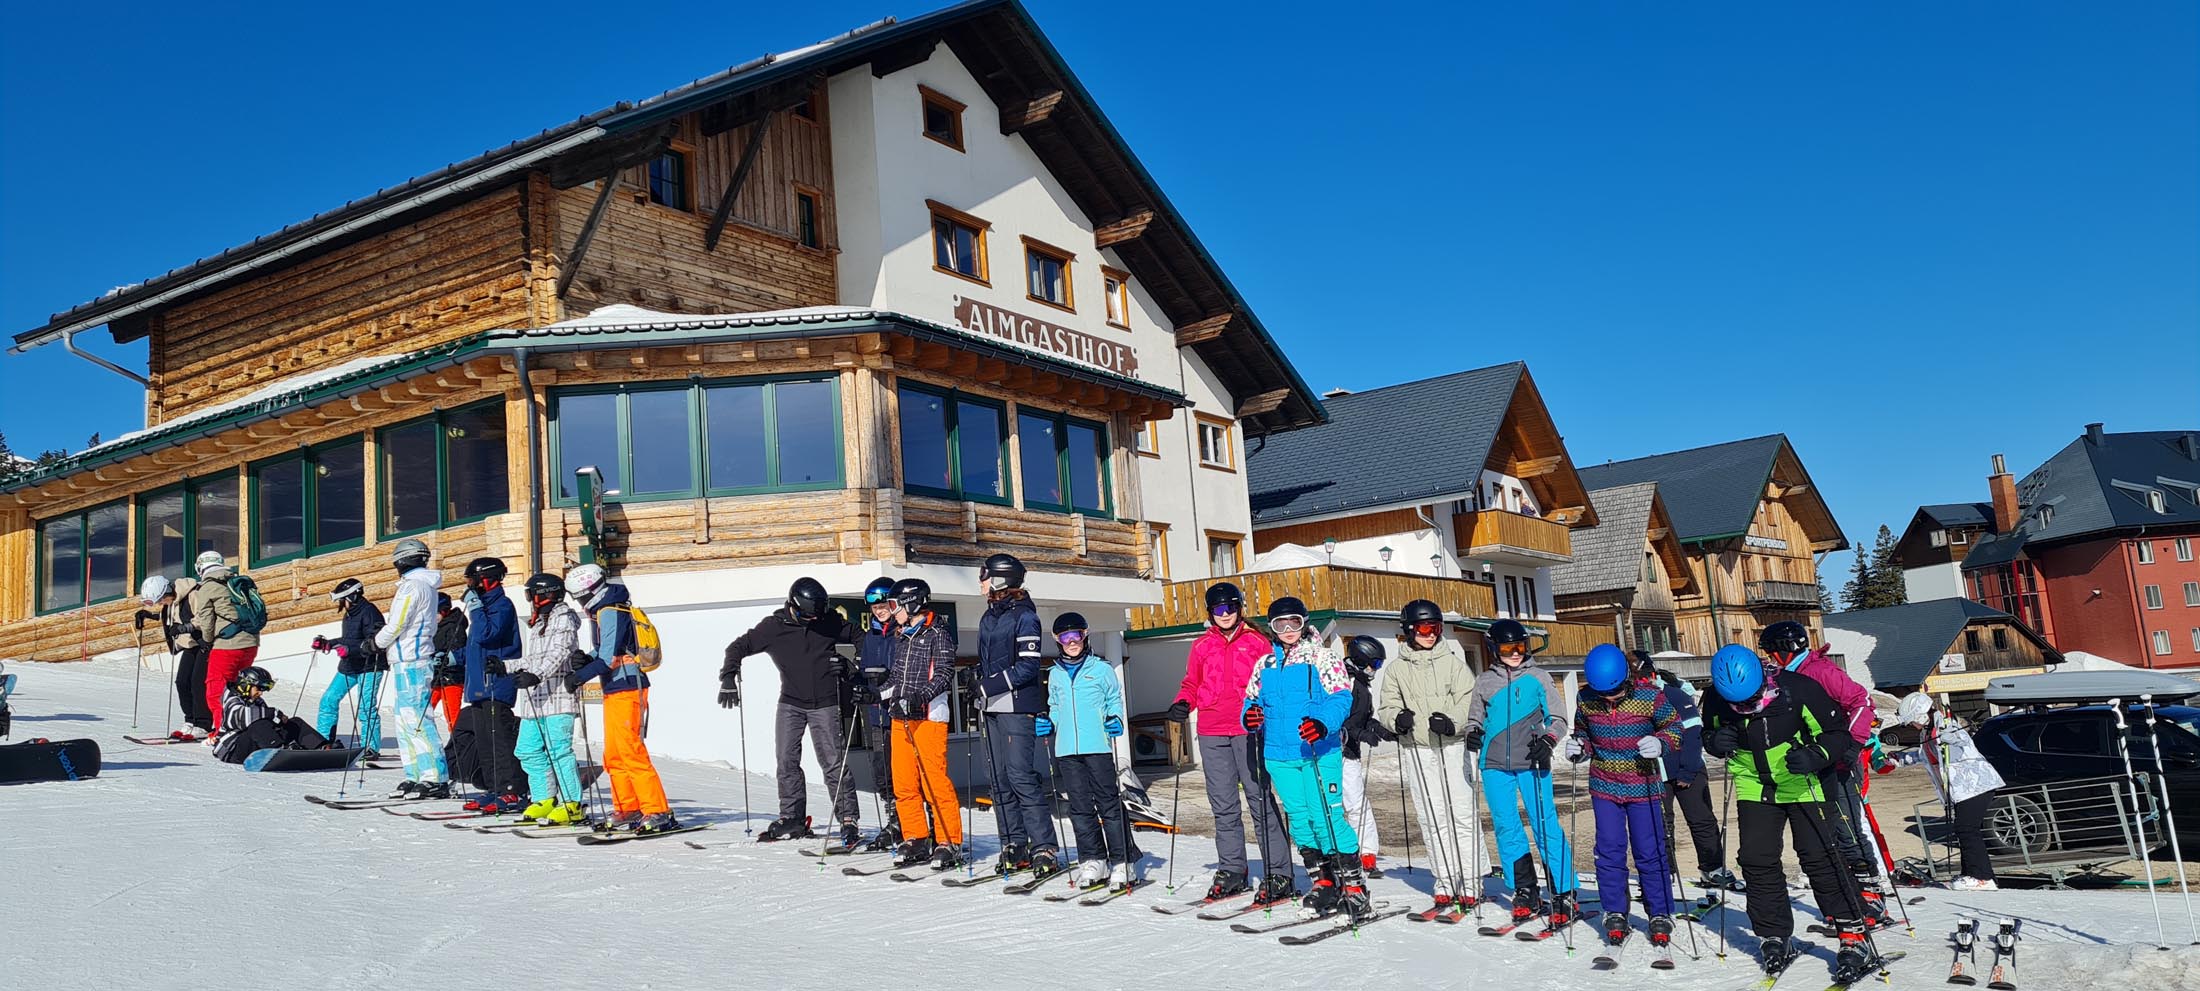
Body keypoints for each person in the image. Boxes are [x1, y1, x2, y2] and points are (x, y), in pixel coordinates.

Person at [1701, 643, 1868, 977]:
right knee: (1756, 859)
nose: (1747, 709)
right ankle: (1773, 934)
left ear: (1763, 679)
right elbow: (1708, 732)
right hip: (1755, 784)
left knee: (1819, 856)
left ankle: (1852, 933)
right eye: (1739, 705)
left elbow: (1837, 735)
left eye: (1752, 700)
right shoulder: (1716, 699)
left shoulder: (1799, 689)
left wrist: (1817, 754)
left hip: (1805, 782)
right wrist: (1714, 742)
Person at [1166, 581, 1295, 907]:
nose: (1225, 614)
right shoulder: (1201, 646)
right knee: (1223, 805)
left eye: (1231, 607)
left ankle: (1279, 872)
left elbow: (1272, 685)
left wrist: (1266, 715)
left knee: (1259, 799)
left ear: (1240, 608)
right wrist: (1183, 702)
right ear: (1210, 612)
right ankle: (1232, 869)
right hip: (1211, 730)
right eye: (1218, 609)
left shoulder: (1257, 642)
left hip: (1248, 730)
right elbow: (1192, 683)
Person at [1243, 596, 1368, 921]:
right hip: (1279, 755)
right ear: (1271, 628)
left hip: (1317, 751)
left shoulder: (1322, 657)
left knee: (1326, 817)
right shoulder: (1264, 664)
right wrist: (1250, 716)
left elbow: (1341, 697)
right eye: (1280, 624)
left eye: (1294, 622)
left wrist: (1323, 723)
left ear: (1304, 622)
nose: (1287, 629)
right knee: (1300, 821)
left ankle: (1354, 887)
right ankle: (1323, 882)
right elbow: (1251, 700)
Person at [1760, 620, 1887, 923]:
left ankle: (1872, 899)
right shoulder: (1786, 676)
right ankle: (1850, 900)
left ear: (1785, 649)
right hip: (1813, 764)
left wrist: (1851, 744)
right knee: (1826, 836)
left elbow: (1862, 701)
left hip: (1839, 762)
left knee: (1847, 830)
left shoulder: (1819, 671)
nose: (1770, 658)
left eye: (1771, 652)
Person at [720, 577, 861, 846]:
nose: (814, 620)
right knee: (786, 761)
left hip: (826, 702)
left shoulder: (828, 620)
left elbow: (858, 635)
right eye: (808, 616)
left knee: (833, 762)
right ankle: (792, 817)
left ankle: (848, 819)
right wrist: (728, 677)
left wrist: (855, 664)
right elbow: (738, 647)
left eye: (817, 615)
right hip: (791, 702)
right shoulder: (774, 627)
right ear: (794, 606)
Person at [1377, 599, 1492, 915]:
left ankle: (1471, 880)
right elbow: (1386, 706)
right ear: (1409, 630)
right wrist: (1396, 719)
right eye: (1424, 628)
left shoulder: (1453, 663)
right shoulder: (1397, 669)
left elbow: (1470, 701)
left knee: (1462, 814)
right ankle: (1445, 879)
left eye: (1436, 628)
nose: (1430, 634)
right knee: (1433, 816)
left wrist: (1453, 721)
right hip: (1419, 749)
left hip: (1452, 747)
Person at [1567, 643, 1684, 951]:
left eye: (1615, 692)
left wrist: (1661, 743)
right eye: (1603, 694)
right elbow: (1583, 732)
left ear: (1626, 678)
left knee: (1650, 850)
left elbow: (1675, 728)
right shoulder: (1585, 699)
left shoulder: (1650, 697)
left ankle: (1660, 912)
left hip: (1643, 786)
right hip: (1604, 785)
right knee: (1609, 850)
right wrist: (1579, 747)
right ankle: (1615, 910)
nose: (1609, 699)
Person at [1465, 617, 1579, 929]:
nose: (1515, 653)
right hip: (1494, 764)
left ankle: (1564, 891)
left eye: (1520, 646)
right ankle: (1525, 890)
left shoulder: (1539, 677)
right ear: (1494, 649)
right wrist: (1472, 733)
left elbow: (1559, 718)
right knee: (1506, 827)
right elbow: (1475, 719)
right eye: (1507, 648)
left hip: (1532, 760)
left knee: (1545, 825)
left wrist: (1549, 740)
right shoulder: (1484, 682)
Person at [564, 564, 674, 833]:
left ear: (592, 591)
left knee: (630, 750)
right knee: (613, 753)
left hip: (628, 686)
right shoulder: (604, 610)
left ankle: (658, 811)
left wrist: (579, 676)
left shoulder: (611, 609)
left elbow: (609, 658)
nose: (580, 603)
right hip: (614, 687)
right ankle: (628, 807)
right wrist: (585, 660)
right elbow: (606, 651)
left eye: (580, 597)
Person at [1039, 611, 1140, 892]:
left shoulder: (1101, 669)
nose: (1072, 642)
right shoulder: (1055, 674)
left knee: (1108, 804)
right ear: (1057, 640)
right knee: (1079, 807)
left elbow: (1114, 700)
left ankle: (1122, 861)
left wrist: (1115, 719)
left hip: (1097, 746)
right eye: (1065, 637)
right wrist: (1050, 723)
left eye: (1076, 635)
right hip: (1067, 750)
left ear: (1085, 636)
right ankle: (1093, 859)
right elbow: (1055, 706)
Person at [975, 553, 1055, 875]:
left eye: (984, 576)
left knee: (1020, 776)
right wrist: (976, 678)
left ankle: (1044, 847)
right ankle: (1013, 843)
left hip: (1017, 706)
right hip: (991, 707)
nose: (980, 582)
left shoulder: (1025, 617)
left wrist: (989, 684)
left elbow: (1028, 666)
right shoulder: (988, 617)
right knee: (998, 780)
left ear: (1000, 579)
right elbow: (988, 661)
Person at [1633, 650, 1736, 893]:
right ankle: (1664, 871)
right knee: (1660, 823)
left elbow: (1693, 733)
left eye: (1645, 678)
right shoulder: (1632, 700)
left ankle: (1712, 868)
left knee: (1701, 819)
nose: (1642, 683)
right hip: (1654, 773)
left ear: (1653, 675)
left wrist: (1688, 770)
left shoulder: (1674, 695)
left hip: (1687, 768)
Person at [881, 578, 963, 869]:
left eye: (895, 605)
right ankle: (916, 837)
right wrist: (874, 693)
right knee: (904, 782)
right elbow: (896, 679)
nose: (892, 611)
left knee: (934, 782)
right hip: (901, 717)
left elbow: (944, 674)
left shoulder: (938, 634)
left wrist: (919, 698)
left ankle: (949, 841)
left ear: (912, 603)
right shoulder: (902, 637)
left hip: (929, 717)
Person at [1896, 692, 2002, 891]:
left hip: (1975, 784)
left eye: (1912, 721)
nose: (1912, 725)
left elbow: (1962, 741)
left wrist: (1951, 738)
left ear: (1920, 715)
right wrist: (1898, 759)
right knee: (1963, 829)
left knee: (1966, 828)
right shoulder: (1927, 733)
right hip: (1961, 789)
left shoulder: (1946, 724)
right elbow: (1925, 755)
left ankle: (1982, 877)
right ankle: (1972, 874)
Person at [374, 538, 451, 800]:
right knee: (404, 720)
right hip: (405, 660)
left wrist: (375, 643)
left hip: (412, 660)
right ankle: (416, 773)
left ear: (403, 560)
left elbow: (398, 624)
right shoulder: (421, 586)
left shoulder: (413, 587)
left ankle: (435, 777)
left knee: (417, 719)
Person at [449, 557, 526, 813]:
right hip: (478, 687)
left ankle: (510, 790)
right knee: (484, 743)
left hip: (496, 685)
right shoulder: (483, 608)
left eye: (473, 580)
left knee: (498, 741)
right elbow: (476, 647)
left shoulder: (501, 605)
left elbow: (487, 634)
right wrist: (454, 657)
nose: (470, 586)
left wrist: (474, 607)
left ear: (487, 580)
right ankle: (495, 788)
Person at [513, 573, 589, 826]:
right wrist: (505, 666)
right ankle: (544, 798)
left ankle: (572, 804)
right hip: (536, 699)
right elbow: (533, 659)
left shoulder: (564, 618)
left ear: (544, 594)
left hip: (559, 697)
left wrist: (537, 675)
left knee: (559, 751)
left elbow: (559, 652)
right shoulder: (537, 624)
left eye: (530, 594)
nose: (529, 600)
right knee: (526, 749)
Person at [853, 577, 905, 851]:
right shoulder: (870, 637)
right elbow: (864, 672)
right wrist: (854, 678)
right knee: (881, 771)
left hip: (900, 712)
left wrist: (888, 679)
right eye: (874, 606)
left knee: (905, 771)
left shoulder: (903, 631)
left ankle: (914, 821)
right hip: (876, 713)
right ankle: (894, 819)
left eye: (883, 605)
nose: (879, 610)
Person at [309, 579, 386, 757]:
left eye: (342, 600)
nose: (341, 604)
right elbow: (349, 639)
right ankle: (324, 742)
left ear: (352, 597)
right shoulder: (350, 614)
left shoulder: (370, 612)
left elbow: (376, 641)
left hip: (370, 667)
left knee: (366, 707)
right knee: (328, 699)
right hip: (350, 666)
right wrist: (328, 644)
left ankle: (370, 747)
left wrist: (350, 650)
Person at [188, 551, 260, 739]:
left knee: (217, 690)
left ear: (200, 567)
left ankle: (223, 732)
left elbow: (206, 620)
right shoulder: (238, 581)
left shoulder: (208, 587)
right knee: (242, 688)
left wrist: (207, 640)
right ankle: (245, 726)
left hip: (227, 646)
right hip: (251, 643)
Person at [1338, 634, 1390, 880]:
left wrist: (1380, 730)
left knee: (1358, 803)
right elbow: (1339, 721)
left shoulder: (1362, 684)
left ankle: (1367, 852)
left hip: (1351, 753)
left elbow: (1362, 718)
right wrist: (1360, 734)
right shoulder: (1344, 681)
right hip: (1335, 753)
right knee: (1337, 805)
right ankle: (1339, 852)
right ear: (1361, 660)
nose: (1375, 670)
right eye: (1374, 664)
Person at [136, 575, 213, 739]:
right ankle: (190, 720)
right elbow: (172, 616)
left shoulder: (193, 594)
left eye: (161, 600)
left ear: (168, 591)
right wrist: (147, 615)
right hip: (190, 644)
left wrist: (185, 628)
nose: (161, 604)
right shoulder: (172, 600)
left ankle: (203, 724)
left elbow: (205, 617)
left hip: (205, 643)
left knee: (197, 683)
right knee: (182, 682)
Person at [211, 667, 329, 764]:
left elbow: (267, 724)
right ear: (246, 685)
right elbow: (241, 718)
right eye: (259, 688)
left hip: (253, 744)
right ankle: (279, 752)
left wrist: (280, 723)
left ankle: (321, 747)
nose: (261, 693)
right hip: (232, 749)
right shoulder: (231, 699)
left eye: (263, 689)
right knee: (258, 724)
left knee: (294, 723)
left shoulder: (257, 701)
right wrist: (272, 713)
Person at [430, 593, 468, 732]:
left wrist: (447, 658)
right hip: (435, 675)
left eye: (435, 612)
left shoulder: (455, 626)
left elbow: (462, 652)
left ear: (444, 611)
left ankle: (457, 741)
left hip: (452, 677)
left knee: (452, 715)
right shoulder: (435, 626)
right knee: (425, 708)